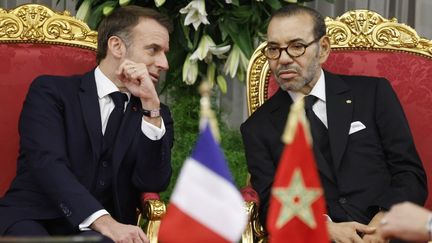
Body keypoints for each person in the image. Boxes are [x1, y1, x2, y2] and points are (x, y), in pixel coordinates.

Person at [240, 4, 427, 243]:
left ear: (323, 49)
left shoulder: (373, 94)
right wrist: (325, 229)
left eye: (296, 47)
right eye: (274, 49)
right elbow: (270, 207)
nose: (283, 59)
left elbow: (409, 173)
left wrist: (384, 221)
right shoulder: (258, 127)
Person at [0, 6, 173, 243]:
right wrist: (105, 222)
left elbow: (152, 182)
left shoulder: (154, 112)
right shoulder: (51, 92)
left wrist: (151, 107)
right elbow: (48, 164)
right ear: (116, 46)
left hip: (101, 234)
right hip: (32, 218)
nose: (164, 63)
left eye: (165, 52)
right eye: (153, 49)